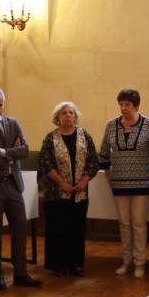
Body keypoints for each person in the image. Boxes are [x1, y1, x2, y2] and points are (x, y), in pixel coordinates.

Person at [0, 87, 41, 289]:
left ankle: (20, 273)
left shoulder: (13, 123)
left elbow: (25, 150)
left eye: (0, 105)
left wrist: (2, 152)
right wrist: (11, 153)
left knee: (20, 228)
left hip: (13, 182)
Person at [99, 88, 149, 278]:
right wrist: (108, 173)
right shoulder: (111, 125)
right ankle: (127, 261)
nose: (123, 108)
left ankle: (140, 262)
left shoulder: (148, 124)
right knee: (124, 224)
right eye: (121, 104)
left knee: (138, 223)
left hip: (142, 181)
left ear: (136, 106)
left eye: (127, 105)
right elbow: (104, 153)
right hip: (119, 182)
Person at [38, 101, 99, 276]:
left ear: (75, 116)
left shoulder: (84, 136)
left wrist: (84, 182)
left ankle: (76, 264)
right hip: (57, 192)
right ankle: (58, 265)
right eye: (63, 113)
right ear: (58, 117)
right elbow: (45, 163)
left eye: (71, 112)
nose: (67, 116)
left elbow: (93, 161)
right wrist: (62, 183)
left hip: (80, 192)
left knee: (77, 228)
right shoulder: (51, 138)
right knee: (58, 227)